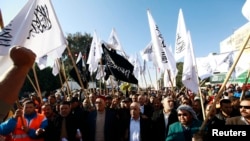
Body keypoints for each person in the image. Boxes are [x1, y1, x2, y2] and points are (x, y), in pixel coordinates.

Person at [0, 46, 36, 121]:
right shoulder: (16, 116)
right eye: (27, 107)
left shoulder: (41, 118)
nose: (28, 109)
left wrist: (21, 67)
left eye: (30, 107)